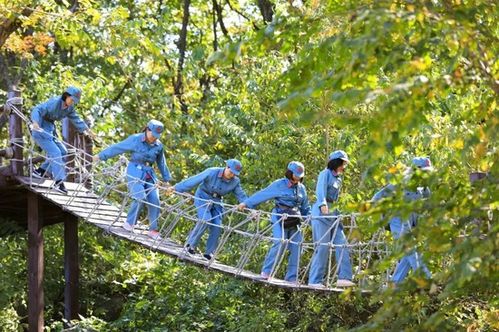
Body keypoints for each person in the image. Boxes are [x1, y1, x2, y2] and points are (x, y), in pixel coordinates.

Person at [93, 120, 171, 240]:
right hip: (135, 170)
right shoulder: (135, 139)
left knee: (155, 200)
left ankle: (153, 230)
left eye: (157, 136)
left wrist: (166, 180)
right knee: (140, 196)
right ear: (147, 130)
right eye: (153, 135)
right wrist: (100, 156)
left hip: (149, 173)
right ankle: (129, 223)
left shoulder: (158, 146)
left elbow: (161, 163)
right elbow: (117, 148)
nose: (155, 138)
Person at [238, 161, 311, 283]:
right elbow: (263, 194)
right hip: (279, 216)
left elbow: (305, 207)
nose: (299, 177)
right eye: (296, 175)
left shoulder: (301, 188)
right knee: (279, 242)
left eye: (300, 175)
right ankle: (266, 272)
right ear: (290, 173)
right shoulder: (279, 184)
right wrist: (246, 203)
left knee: (298, 245)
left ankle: (292, 278)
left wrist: (312, 220)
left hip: (294, 219)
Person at [371, 156, 433, 284]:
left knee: (407, 255)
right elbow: (377, 198)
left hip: (410, 224)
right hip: (397, 221)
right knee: (410, 249)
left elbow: (431, 201)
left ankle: (393, 286)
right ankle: (426, 278)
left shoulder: (422, 188)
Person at [170, 159, 247, 260]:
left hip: (217, 201)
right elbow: (193, 180)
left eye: (234, 173)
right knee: (205, 220)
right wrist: (176, 188)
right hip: (203, 197)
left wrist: (248, 206)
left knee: (217, 225)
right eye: (231, 171)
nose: (232, 175)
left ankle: (209, 253)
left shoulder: (235, 181)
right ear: (227, 167)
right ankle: (190, 246)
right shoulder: (212, 172)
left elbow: (241, 195)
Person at [30, 86, 96, 194]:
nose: (72, 102)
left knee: (64, 152)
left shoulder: (69, 108)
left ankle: (40, 171)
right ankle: (59, 182)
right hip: (40, 128)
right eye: (72, 99)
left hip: (50, 128)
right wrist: (35, 122)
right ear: (66, 96)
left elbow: (76, 119)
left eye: (74, 101)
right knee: (55, 153)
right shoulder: (54, 103)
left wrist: (88, 130)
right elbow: (37, 109)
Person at [308, 150, 355, 288]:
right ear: (336, 162)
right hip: (321, 214)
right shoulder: (325, 174)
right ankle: (314, 281)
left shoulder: (339, 178)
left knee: (342, 244)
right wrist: (322, 204)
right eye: (343, 163)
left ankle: (344, 277)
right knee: (322, 247)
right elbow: (320, 190)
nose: (344, 166)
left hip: (334, 214)